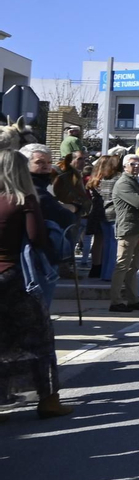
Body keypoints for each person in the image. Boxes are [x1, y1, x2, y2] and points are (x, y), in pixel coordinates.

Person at [0, 142, 71, 418]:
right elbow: (36, 237)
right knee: (39, 337)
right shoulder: (23, 199)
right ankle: (48, 400)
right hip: (15, 276)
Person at [110, 154, 139, 312]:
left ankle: (133, 299)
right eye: (133, 164)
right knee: (122, 266)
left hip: (137, 228)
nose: (136, 166)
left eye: (138, 164)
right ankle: (115, 301)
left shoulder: (135, 181)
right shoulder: (124, 183)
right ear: (125, 166)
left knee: (134, 266)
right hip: (127, 229)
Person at [86, 154, 121, 282]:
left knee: (100, 241)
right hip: (110, 212)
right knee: (111, 242)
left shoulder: (95, 179)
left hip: (98, 212)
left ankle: (97, 268)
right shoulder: (114, 178)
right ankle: (107, 271)